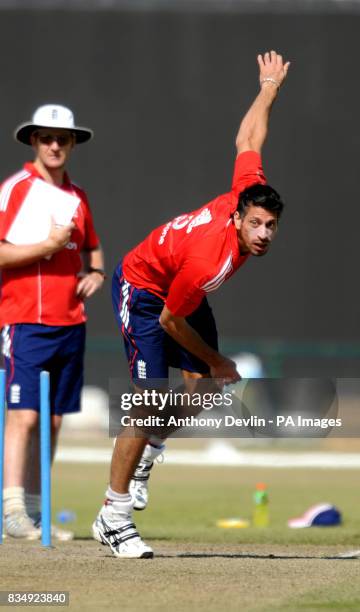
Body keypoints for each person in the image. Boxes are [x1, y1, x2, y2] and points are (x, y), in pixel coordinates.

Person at [93, 50, 290, 558]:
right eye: (256, 225)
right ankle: (112, 516)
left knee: (201, 389)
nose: (264, 234)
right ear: (239, 220)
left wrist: (268, 87)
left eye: (271, 226)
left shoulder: (248, 192)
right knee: (148, 402)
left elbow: (247, 139)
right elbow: (170, 319)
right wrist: (219, 359)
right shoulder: (214, 261)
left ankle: (149, 452)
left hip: (181, 290)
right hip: (145, 291)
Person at [0, 104, 105, 540]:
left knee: (53, 422)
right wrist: (45, 245)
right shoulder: (17, 189)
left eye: (63, 138)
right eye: (47, 137)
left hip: (69, 323)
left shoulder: (78, 196)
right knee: (22, 417)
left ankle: (37, 511)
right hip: (25, 319)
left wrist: (96, 274)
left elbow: (92, 249)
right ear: (33, 142)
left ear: (73, 143)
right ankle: (11, 511)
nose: (55, 145)